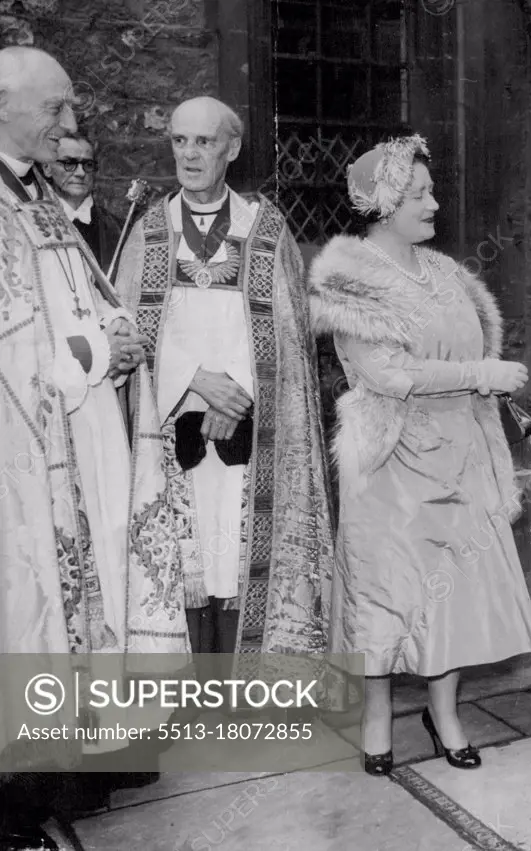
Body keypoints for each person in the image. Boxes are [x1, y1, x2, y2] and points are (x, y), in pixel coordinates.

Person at [308, 134, 531, 777]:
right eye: (417, 194)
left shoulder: (445, 273)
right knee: (385, 592)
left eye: (430, 190)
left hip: (460, 450)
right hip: (392, 455)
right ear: (383, 205)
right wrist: (482, 373)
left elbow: (468, 347)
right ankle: (377, 717)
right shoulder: (349, 279)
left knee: (452, 596)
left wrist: (478, 381)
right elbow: (386, 373)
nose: (433, 202)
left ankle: (444, 715)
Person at [0, 46, 187, 849]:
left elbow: (82, 296)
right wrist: (92, 354)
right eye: (55, 108)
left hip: (77, 442)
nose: (70, 124)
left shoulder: (35, 197)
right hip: (25, 455)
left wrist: (113, 329)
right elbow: (15, 349)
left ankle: (53, 786)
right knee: (27, 616)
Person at [115, 96, 334, 660]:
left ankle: (249, 684)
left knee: (236, 555)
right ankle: (185, 689)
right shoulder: (149, 231)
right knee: (185, 556)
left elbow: (288, 336)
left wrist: (233, 394)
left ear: (231, 149)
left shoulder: (266, 228)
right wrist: (194, 380)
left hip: (249, 427)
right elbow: (128, 331)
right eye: (179, 141)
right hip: (173, 427)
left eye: (203, 141)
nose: (189, 154)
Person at [42, 132, 124, 274]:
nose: (80, 173)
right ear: (47, 168)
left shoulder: (120, 229)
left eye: (88, 164)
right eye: (69, 163)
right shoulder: (32, 223)